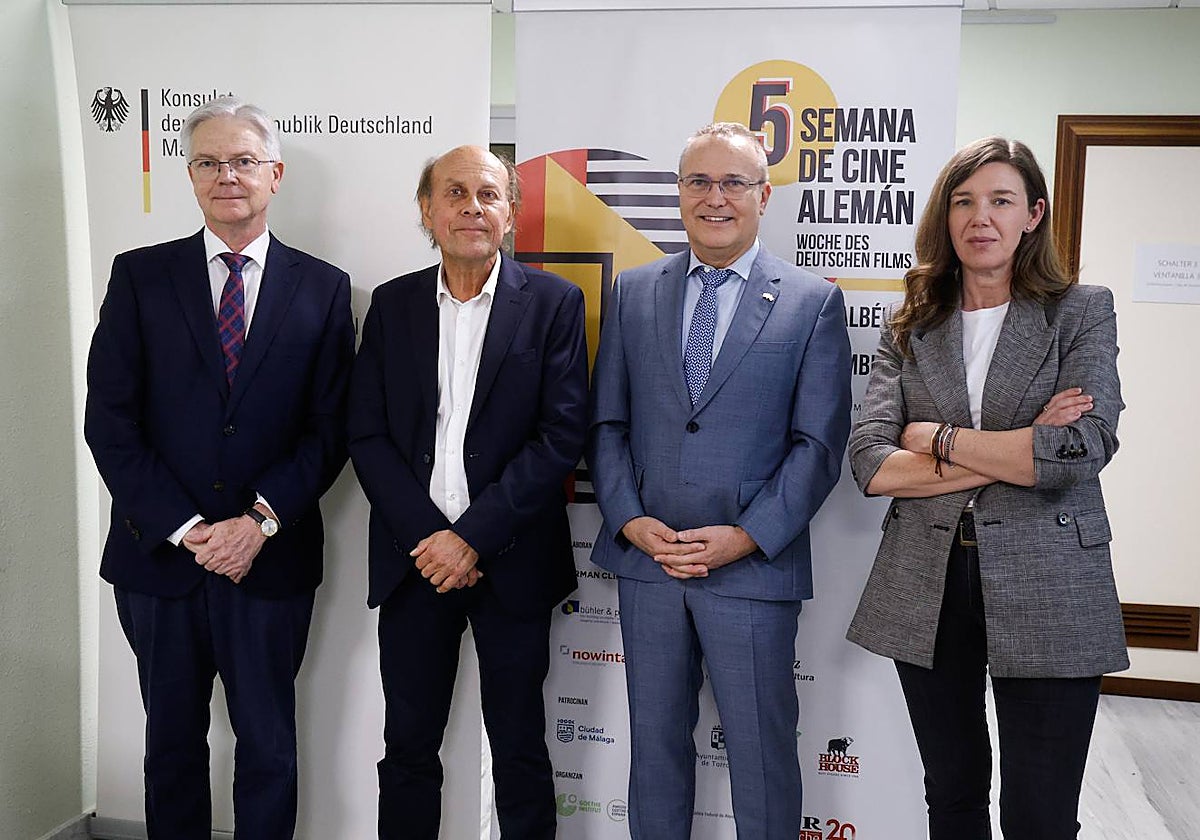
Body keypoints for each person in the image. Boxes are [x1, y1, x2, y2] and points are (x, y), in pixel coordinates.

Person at [84, 96, 354, 839]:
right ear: (191, 175)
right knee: (170, 748)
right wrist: (187, 528)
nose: (226, 176)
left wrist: (258, 523)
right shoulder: (140, 276)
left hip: (269, 559)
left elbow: (331, 428)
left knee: (269, 748)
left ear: (275, 174)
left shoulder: (324, 287)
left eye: (243, 161)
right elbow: (110, 421)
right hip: (160, 560)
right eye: (208, 162)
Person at [846, 137, 1127, 839]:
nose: (981, 217)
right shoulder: (912, 323)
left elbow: (1081, 448)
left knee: (1040, 815)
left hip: (1051, 577)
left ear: (1033, 215)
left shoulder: (1081, 311)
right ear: (945, 218)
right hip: (928, 575)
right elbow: (872, 464)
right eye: (964, 202)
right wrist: (1022, 444)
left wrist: (935, 438)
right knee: (953, 797)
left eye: (1002, 200)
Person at [587, 122, 852, 839]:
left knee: (763, 760)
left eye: (733, 182)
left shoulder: (810, 302)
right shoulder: (634, 292)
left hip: (751, 571)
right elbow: (607, 424)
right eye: (699, 182)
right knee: (654, 754)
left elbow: (818, 446)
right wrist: (629, 520)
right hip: (650, 565)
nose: (715, 197)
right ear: (678, 194)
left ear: (763, 196)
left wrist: (747, 536)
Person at [347, 145, 588, 840]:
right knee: (408, 746)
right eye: (454, 193)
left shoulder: (553, 303)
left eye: (488, 194)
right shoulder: (392, 305)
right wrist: (431, 540)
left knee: (519, 745)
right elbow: (367, 433)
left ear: (510, 213)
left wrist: (470, 538)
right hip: (415, 562)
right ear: (427, 210)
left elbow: (560, 436)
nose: (472, 208)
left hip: (512, 560)